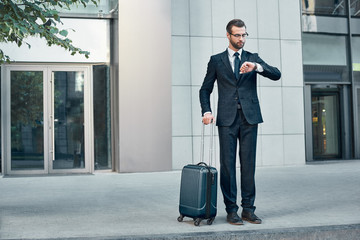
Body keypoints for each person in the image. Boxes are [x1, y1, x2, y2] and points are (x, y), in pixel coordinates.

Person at [199, 19, 281, 225]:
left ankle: (248, 209)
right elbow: (205, 89)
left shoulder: (252, 58)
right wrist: (207, 110)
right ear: (228, 35)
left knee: (248, 165)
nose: (241, 39)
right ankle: (231, 210)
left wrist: (257, 67)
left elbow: (276, 74)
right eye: (237, 35)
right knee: (227, 166)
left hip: (249, 118)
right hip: (226, 119)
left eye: (244, 35)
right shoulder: (216, 60)